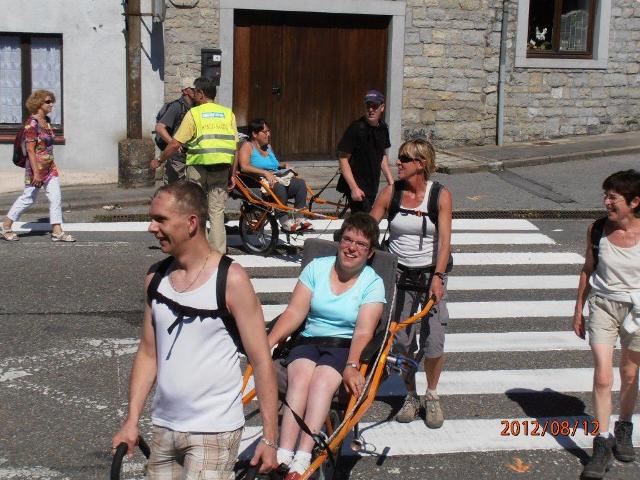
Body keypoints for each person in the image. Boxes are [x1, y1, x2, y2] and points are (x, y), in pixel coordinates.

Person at [111, 181, 278, 478]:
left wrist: (269, 438)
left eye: (160, 219)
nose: (152, 227)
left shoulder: (231, 279)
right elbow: (149, 353)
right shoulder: (156, 277)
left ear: (191, 223)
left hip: (214, 432)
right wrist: (132, 421)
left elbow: (262, 360)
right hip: (164, 426)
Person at [266, 213, 386, 479]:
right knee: (299, 379)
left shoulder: (373, 283)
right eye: (347, 240)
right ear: (339, 240)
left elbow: (364, 331)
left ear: (370, 251)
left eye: (361, 244)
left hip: (343, 346)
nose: (352, 248)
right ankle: (284, 454)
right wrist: (267, 344)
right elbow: (295, 312)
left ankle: (303, 458)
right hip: (308, 339)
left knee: (321, 383)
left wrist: (353, 364)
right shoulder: (317, 268)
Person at [370, 138, 452, 429]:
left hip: (431, 276)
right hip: (399, 277)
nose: (398, 163)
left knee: (434, 341)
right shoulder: (391, 193)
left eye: (404, 158)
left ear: (421, 164)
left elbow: (444, 242)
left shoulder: (439, 195)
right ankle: (409, 394)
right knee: (402, 341)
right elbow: (369, 227)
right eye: (399, 157)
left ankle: (431, 394)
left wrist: (439, 278)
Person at [572, 170, 640, 479]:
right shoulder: (597, 230)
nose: (606, 202)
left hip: (638, 309)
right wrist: (577, 310)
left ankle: (623, 427)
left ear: (634, 202)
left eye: (613, 197)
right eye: (606, 195)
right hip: (603, 305)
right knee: (602, 376)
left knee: (629, 374)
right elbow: (587, 270)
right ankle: (600, 444)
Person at [151, 77, 237, 254]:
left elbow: (175, 144)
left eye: (195, 91)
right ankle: (218, 254)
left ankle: (200, 251)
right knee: (217, 212)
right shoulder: (228, 114)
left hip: (198, 167)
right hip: (221, 168)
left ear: (201, 94)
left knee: (197, 209)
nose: (194, 94)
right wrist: (233, 174)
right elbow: (235, 147)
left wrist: (160, 160)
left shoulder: (194, 114)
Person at [1, 90, 75, 243]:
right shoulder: (31, 124)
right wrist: (36, 173)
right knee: (28, 198)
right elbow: (30, 150)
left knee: (56, 198)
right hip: (35, 169)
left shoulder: (46, 121)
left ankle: (57, 232)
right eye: (48, 102)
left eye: (51, 101)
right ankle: (6, 226)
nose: (51, 104)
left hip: (50, 168)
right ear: (38, 104)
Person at [238, 118, 312, 233]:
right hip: (258, 181)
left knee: (300, 184)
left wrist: (284, 165)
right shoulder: (247, 146)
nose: (269, 134)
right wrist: (265, 173)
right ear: (254, 134)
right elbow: (244, 166)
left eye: (269, 131)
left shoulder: (268, 147)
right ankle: (284, 221)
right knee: (278, 186)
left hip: (275, 176)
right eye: (265, 132)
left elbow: (275, 164)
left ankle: (299, 217)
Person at [336, 89, 394, 214]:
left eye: (375, 106)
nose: (371, 109)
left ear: (382, 107)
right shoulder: (356, 128)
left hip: (372, 184)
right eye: (368, 106)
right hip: (357, 185)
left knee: (362, 222)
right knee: (364, 222)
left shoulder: (383, 128)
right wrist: (354, 188)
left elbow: (382, 155)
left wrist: (391, 182)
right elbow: (343, 158)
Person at [154, 80, 195, 184]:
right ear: (185, 91)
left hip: (193, 158)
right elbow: (159, 127)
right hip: (177, 159)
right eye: (194, 89)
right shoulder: (177, 107)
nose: (197, 92)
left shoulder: (197, 107)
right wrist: (173, 143)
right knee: (173, 192)